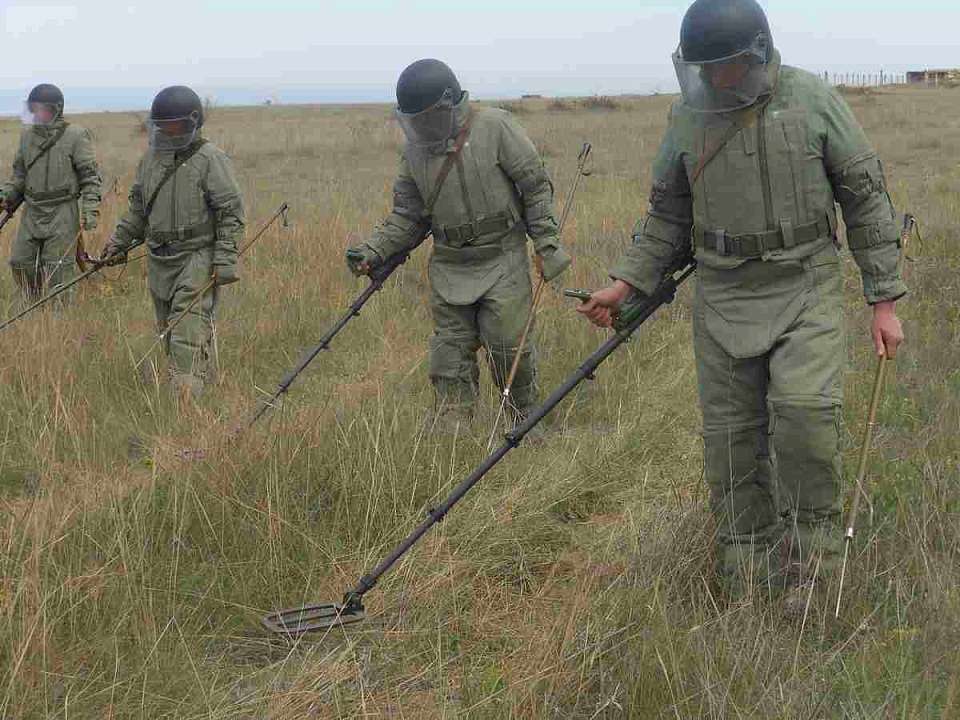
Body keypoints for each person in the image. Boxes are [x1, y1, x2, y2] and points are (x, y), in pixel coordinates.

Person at [578, 0, 906, 609]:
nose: (714, 78)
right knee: (732, 438)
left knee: (806, 419)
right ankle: (748, 570)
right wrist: (625, 284)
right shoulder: (686, 117)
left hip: (804, 286)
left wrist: (882, 299)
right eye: (704, 67)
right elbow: (667, 218)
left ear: (755, 54)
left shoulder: (813, 101)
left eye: (725, 66)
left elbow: (864, 200)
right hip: (724, 294)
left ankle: (813, 570)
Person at [347, 59, 572, 434]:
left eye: (428, 117)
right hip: (450, 265)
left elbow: (535, 187)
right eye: (414, 120)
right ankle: (453, 431)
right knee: (448, 355)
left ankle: (526, 423)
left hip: (502, 259)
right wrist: (373, 250)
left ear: (451, 103)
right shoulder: (415, 153)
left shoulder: (495, 127)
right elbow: (407, 216)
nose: (421, 127)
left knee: (508, 346)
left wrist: (547, 245)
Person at [101, 86, 245, 399]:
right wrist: (119, 243)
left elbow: (230, 213)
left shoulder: (211, 159)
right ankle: (193, 381)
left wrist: (224, 260)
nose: (169, 131)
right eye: (163, 125)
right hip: (159, 259)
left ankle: (187, 397)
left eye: (176, 125)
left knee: (187, 328)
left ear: (194, 122)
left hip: (197, 255)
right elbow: (138, 210)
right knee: (168, 329)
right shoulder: (150, 160)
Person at [1, 84, 102, 300]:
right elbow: (19, 177)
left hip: (62, 211)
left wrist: (90, 210)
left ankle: (59, 313)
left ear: (56, 109)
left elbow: (90, 177)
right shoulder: (27, 137)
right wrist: (5, 196)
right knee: (20, 262)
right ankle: (34, 301)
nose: (37, 113)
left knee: (57, 266)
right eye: (33, 109)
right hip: (33, 210)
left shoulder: (75, 135)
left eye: (42, 109)